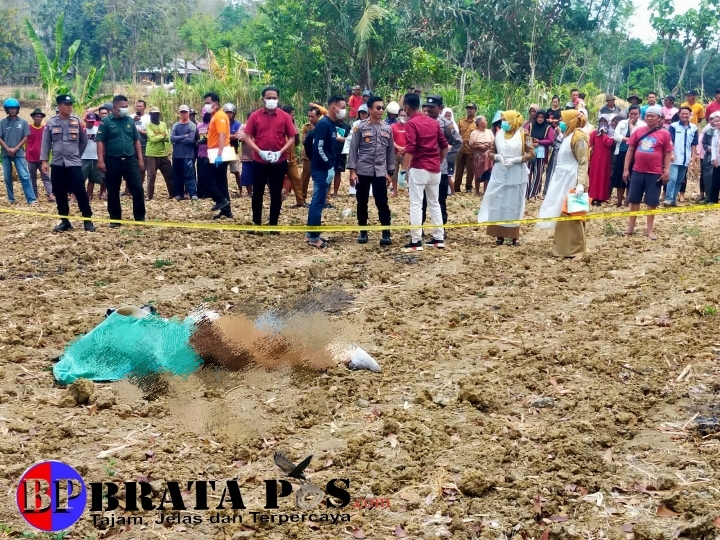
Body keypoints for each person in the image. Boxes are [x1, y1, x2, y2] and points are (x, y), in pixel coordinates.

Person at [243, 86, 298, 229]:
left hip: (279, 160)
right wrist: (259, 151)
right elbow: (247, 137)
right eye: (269, 98)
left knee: (276, 193)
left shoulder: (285, 116)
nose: (271, 100)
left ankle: (274, 225)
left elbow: (292, 137)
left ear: (278, 99)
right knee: (257, 193)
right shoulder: (255, 116)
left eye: (274, 98)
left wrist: (280, 152)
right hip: (259, 160)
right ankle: (256, 223)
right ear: (263, 99)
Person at [477, 111, 535, 246]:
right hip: (500, 173)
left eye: (505, 120)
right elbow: (490, 152)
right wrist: (497, 157)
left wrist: (517, 160)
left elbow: (531, 153)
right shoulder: (499, 134)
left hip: (516, 174)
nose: (503, 123)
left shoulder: (523, 134)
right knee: (499, 203)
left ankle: (514, 236)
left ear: (513, 121)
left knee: (514, 204)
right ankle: (499, 235)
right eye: (502, 120)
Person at [537, 109, 590, 259]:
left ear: (571, 121)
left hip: (573, 179)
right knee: (562, 214)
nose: (560, 122)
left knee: (574, 215)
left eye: (563, 120)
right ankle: (562, 248)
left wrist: (580, 184)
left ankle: (577, 250)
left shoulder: (579, 137)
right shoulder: (568, 135)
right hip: (562, 179)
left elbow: (583, 162)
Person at [40, 95, 94, 232]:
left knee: (80, 191)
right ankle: (65, 221)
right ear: (59, 106)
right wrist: (44, 161)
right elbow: (46, 143)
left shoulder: (78, 122)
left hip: (74, 164)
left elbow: (83, 141)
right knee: (59, 193)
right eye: (66, 104)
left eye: (71, 104)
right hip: (57, 164)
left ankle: (87, 220)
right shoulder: (51, 122)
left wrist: (76, 155)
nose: (69, 106)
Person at [402, 93, 448, 251]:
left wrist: (403, 170)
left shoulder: (411, 123)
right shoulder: (433, 122)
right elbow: (444, 145)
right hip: (434, 169)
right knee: (434, 203)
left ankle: (416, 241)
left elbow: (410, 148)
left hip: (419, 168)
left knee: (416, 204)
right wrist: (439, 161)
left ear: (407, 107)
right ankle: (438, 238)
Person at [347, 96, 395, 246]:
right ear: (369, 109)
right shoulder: (360, 127)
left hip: (380, 171)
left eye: (382, 108)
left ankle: (386, 232)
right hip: (362, 170)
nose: (381, 110)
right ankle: (363, 231)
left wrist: (390, 172)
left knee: (382, 202)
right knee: (362, 201)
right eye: (377, 108)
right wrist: (352, 171)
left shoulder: (387, 128)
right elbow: (353, 149)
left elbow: (390, 152)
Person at [622, 105, 673, 239]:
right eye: (647, 116)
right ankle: (630, 227)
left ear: (659, 118)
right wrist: (626, 169)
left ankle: (649, 230)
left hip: (654, 173)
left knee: (652, 202)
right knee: (634, 200)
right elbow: (630, 150)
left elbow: (668, 154)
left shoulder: (665, 134)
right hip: (637, 171)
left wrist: (667, 171)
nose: (649, 118)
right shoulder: (638, 131)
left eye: (652, 116)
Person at [96, 95, 146, 227]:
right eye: (122, 107)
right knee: (113, 190)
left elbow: (136, 140)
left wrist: (140, 159)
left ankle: (140, 217)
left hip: (130, 159)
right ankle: (115, 219)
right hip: (113, 160)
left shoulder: (130, 121)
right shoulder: (106, 122)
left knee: (137, 188)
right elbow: (100, 142)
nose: (125, 109)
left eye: (126, 106)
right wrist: (100, 160)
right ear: (114, 107)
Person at [306, 95, 345, 248]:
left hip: (325, 167)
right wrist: (329, 165)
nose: (344, 111)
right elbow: (319, 148)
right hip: (321, 169)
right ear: (333, 108)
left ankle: (311, 234)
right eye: (342, 107)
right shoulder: (324, 124)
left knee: (319, 201)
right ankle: (314, 238)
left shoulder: (331, 124)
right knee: (317, 202)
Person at [423, 95, 461, 230]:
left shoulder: (446, 124)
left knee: (440, 200)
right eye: (427, 107)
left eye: (432, 107)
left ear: (440, 108)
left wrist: (448, 158)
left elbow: (458, 141)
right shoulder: (421, 121)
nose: (429, 109)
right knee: (421, 201)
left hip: (440, 168)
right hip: (423, 166)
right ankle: (418, 229)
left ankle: (440, 229)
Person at [202, 92, 233, 219]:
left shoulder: (220, 115)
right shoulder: (214, 115)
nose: (206, 105)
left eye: (208, 103)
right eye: (205, 103)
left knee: (205, 178)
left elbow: (222, 135)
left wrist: (219, 155)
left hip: (219, 152)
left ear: (216, 103)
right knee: (221, 181)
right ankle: (226, 210)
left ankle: (220, 199)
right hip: (215, 151)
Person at [0, 98, 36, 205]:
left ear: (18, 109)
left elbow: (25, 137)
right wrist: (7, 148)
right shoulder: (2, 123)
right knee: (7, 177)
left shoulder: (23, 122)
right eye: (10, 108)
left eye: (14, 108)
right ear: (7, 110)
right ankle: (11, 198)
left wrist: (15, 148)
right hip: (5, 153)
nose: (12, 110)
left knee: (24, 176)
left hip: (19, 153)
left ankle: (31, 199)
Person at [663, 106, 698, 206]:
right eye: (682, 113)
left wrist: (693, 156)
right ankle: (668, 199)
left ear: (690, 115)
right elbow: (670, 141)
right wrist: (671, 153)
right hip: (674, 157)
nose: (684, 115)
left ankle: (673, 200)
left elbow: (694, 144)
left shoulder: (694, 128)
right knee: (672, 179)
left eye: (686, 114)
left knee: (679, 180)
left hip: (685, 159)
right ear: (679, 114)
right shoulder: (673, 126)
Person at [612, 106, 645, 206]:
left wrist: (631, 125)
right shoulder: (622, 123)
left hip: (635, 154)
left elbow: (637, 138)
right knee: (619, 177)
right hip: (621, 152)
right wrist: (629, 140)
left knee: (631, 177)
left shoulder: (642, 125)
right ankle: (619, 201)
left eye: (636, 114)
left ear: (639, 115)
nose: (633, 116)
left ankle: (627, 201)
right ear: (628, 114)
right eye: (631, 114)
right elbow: (616, 136)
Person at [170, 105, 198, 201]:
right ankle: (179, 194)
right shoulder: (176, 125)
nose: (183, 114)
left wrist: (178, 140)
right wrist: (184, 136)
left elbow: (190, 140)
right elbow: (171, 138)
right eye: (182, 112)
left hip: (188, 155)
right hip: (176, 155)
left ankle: (193, 194)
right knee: (177, 175)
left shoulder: (192, 125)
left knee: (189, 175)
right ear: (179, 113)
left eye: (185, 112)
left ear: (188, 113)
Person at [145, 106, 174, 200]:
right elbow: (152, 138)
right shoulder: (148, 125)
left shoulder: (163, 124)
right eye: (154, 114)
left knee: (169, 174)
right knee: (151, 176)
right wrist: (162, 135)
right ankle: (149, 196)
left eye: (157, 114)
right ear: (150, 115)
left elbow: (167, 138)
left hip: (162, 153)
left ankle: (172, 194)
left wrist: (158, 136)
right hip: (152, 153)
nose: (156, 116)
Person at [26, 107, 54, 202]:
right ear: (33, 117)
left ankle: (50, 194)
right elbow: (24, 140)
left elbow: (49, 142)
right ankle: (34, 195)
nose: (38, 118)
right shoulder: (28, 128)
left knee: (46, 176)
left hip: (42, 158)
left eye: (40, 117)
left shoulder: (45, 129)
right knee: (32, 177)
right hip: (31, 157)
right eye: (37, 116)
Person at [280, 105, 304, 208]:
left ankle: (300, 202)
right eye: (292, 115)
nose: (293, 117)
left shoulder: (293, 125)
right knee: (277, 181)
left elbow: (296, 142)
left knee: (296, 180)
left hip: (291, 159)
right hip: (280, 159)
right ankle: (277, 201)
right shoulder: (279, 125)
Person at [527, 110, 555, 199]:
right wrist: (531, 143)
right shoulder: (530, 126)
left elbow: (551, 140)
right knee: (527, 172)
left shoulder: (548, 128)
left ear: (545, 118)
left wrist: (539, 142)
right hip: (529, 151)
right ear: (536, 118)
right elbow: (524, 136)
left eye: (542, 117)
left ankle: (533, 193)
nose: (540, 119)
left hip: (541, 153)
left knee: (538, 173)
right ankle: (525, 193)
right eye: (538, 117)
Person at [588, 114, 614, 205]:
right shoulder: (594, 133)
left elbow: (609, 143)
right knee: (594, 177)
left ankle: (601, 197)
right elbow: (591, 146)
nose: (603, 123)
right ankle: (592, 196)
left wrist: (604, 134)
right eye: (601, 121)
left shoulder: (611, 132)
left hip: (606, 159)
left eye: (605, 121)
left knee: (603, 177)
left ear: (608, 122)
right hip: (595, 159)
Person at [82, 112, 105, 201]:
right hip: (83, 157)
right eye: (89, 121)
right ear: (85, 120)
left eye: (92, 121)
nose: (91, 123)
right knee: (81, 177)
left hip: (95, 156)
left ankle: (89, 194)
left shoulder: (98, 129)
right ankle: (77, 195)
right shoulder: (82, 130)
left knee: (93, 178)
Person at [454, 103, 477, 193]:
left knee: (470, 169)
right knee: (459, 169)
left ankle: (468, 187)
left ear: (475, 110)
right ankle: (456, 187)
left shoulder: (477, 122)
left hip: (471, 149)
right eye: (468, 108)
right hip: (460, 148)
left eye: (471, 108)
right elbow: (456, 133)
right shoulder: (461, 121)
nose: (469, 110)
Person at [300, 106, 321, 203]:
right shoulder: (307, 127)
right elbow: (303, 141)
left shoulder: (324, 125)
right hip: (308, 156)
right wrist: (310, 133)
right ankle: (302, 198)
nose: (310, 118)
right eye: (309, 116)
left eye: (312, 116)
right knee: (305, 177)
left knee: (322, 178)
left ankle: (324, 199)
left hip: (320, 156)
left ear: (318, 116)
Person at [470, 115, 494, 196]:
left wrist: (489, 146)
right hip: (478, 156)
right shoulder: (474, 133)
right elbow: (471, 145)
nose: (486, 122)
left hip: (488, 155)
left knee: (487, 171)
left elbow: (493, 142)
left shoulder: (489, 132)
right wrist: (480, 146)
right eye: (485, 120)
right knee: (478, 172)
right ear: (479, 123)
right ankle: (477, 191)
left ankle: (485, 191)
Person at [331, 105, 351, 198]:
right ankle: (327, 191)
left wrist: (338, 139)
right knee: (329, 172)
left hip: (341, 153)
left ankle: (335, 192)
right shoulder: (331, 123)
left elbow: (349, 139)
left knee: (338, 172)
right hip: (331, 151)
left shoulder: (347, 126)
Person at [698, 112, 718, 203]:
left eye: (716, 120)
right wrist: (708, 148)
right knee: (708, 177)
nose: (713, 121)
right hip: (709, 157)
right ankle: (709, 197)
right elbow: (704, 143)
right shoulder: (707, 131)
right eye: (711, 119)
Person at [223, 103, 242, 195]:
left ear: (234, 113)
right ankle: (224, 191)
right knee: (222, 172)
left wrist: (226, 136)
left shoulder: (237, 124)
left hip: (233, 150)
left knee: (236, 171)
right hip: (223, 150)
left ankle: (241, 190)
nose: (228, 114)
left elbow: (238, 136)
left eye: (230, 112)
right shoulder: (222, 123)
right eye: (227, 112)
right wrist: (231, 136)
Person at [390, 108, 407, 197]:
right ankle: (395, 191)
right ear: (398, 116)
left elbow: (411, 140)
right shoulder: (393, 127)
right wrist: (398, 148)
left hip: (406, 153)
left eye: (405, 115)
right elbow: (391, 140)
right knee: (394, 173)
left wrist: (404, 149)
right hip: (395, 153)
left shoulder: (409, 127)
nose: (403, 117)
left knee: (408, 173)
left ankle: (409, 191)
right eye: (401, 115)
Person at [195, 111, 211, 199]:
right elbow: (197, 138)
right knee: (201, 174)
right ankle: (201, 193)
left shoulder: (213, 124)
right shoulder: (199, 126)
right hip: (201, 154)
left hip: (211, 153)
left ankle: (210, 193)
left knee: (210, 174)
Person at [706, 113, 720, 204]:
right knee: (715, 180)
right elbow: (713, 146)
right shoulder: (716, 132)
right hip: (718, 160)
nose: (716, 123)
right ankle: (713, 199)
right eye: (715, 121)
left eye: (718, 121)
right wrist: (713, 158)